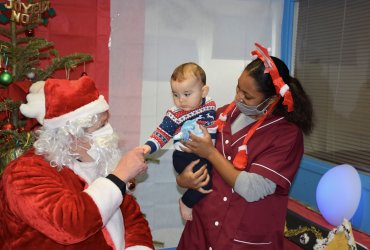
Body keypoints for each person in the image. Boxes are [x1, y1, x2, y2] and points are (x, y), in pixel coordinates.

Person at [175, 43, 314, 249]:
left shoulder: (286, 135)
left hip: (243, 239)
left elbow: (251, 189)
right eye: (238, 88)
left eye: (248, 96)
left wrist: (211, 153)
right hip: (201, 231)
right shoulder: (223, 114)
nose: (238, 97)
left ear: (272, 99)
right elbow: (193, 157)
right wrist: (184, 179)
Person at [0, 76, 154, 250]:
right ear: (72, 133)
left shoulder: (97, 162)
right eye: (102, 125)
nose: (109, 131)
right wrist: (119, 176)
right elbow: (69, 226)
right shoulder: (24, 172)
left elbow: (132, 217)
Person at [140, 62, 217, 221]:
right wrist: (149, 146)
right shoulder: (175, 114)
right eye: (176, 94)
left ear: (203, 91)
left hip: (205, 154)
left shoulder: (210, 105)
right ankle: (186, 202)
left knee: (213, 180)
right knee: (206, 181)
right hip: (185, 156)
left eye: (187, 94)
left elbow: (214, 125)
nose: (181, 100)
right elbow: (162, 132)